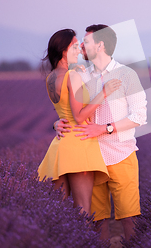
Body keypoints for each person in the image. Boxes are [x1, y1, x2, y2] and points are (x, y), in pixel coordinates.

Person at [54, 24, 147, 241]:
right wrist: (56, 123)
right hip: (91, 157)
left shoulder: (126, 74)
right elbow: (74, 110)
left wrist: (104, 129)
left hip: (121, 154)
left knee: (129, 217)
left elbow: (140, 116)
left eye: (86, 42)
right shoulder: (81, 75)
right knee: (97, 219)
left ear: (100, 45)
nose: (81, 46)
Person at [38, 29, 122, 216]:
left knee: (58, 213)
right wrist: (104, 92)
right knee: (83, 211)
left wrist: (55, 124)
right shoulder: (72, 76)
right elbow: (78, 116)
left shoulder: (51, 78)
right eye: (74, 46)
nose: (79, 50)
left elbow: (63, 112)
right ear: (63, 50)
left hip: (60, 146)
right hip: (80, 144)